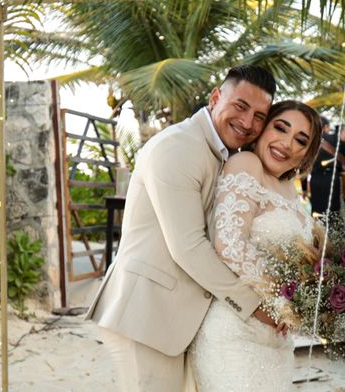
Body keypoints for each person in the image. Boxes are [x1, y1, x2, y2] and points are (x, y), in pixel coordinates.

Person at [85, 65, 278, 391]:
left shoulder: (222, 153)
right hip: (145, 320)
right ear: (216, 97)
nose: (248, 122)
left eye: (260, 116)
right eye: (240, 106)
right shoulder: (179, 147)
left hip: (176, 324)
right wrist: (255, 305)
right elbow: (188, 247)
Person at [188, 100, 322, 391]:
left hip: (276, 338)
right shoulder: (246, 163)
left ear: (306, 155)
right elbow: (229, 245)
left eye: (300, 140)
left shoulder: (288, 188)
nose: (286, 143)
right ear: (262, 129)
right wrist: (280, 301)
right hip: (237, 329)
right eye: (280, 128)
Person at [303, 116, 342, 217]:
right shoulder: (335, 140)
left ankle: (319, 231)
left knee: (317, 212)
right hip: (333, 180)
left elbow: (305, 167)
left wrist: (304, 189)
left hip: (315, 181)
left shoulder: (309, 142)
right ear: (326, 127)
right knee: (333, 213)